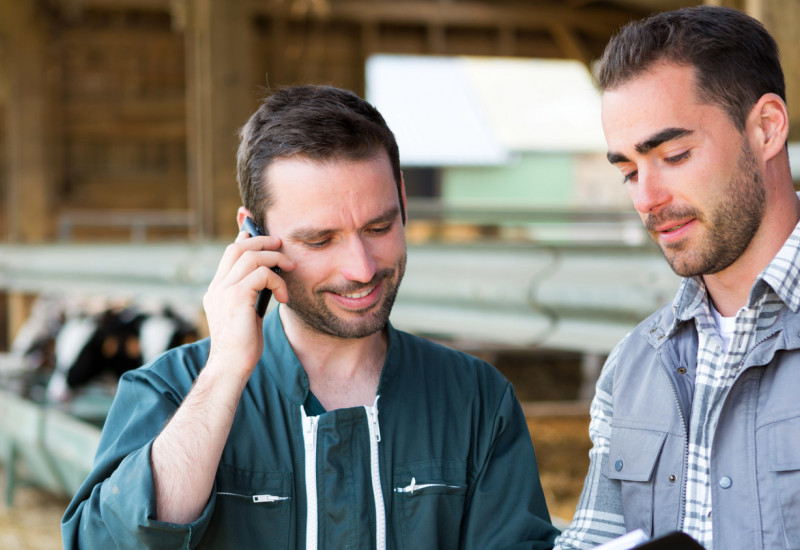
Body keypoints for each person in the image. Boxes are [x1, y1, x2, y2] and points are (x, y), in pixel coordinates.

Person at [61, 85, 559, 549]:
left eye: (379, 226)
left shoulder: (476, 400)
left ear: (404, 201)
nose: (361, 268)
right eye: (319, 240)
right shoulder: (170, 390)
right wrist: (225, 372)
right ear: (253, 235)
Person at [554, 6, 800, 550]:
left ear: (765, 129)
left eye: (675, 154)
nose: (647, 198)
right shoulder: (631, 367)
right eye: (628, 171)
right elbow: (593, 538)